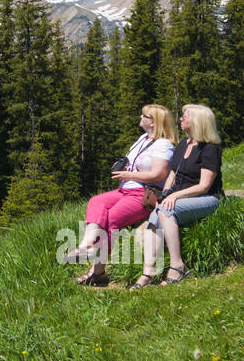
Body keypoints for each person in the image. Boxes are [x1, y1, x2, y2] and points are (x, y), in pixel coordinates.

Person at [64, 105, 176, 286]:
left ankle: (97, 270)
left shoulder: (163, 144)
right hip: (125, 190)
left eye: (144, 115)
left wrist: (129, 175)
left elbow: (158, 175)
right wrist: (125, 167)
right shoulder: (143, 138)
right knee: (96, 202)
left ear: (154, 122)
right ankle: (87, 244)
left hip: (143, 193)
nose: (140, 116)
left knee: (112, 218)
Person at [130, 103, 224, 289]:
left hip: (208, 199)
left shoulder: (210, 148)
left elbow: (204, 186)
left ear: (198, 121)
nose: (180, 119)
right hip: (182, 196)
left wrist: (175, 197)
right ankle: (148, 273)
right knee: (154, 218)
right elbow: (172, 175)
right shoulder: (184, 144)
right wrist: (164, 194)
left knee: (165, 211)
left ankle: (177, 266)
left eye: (185, 116)